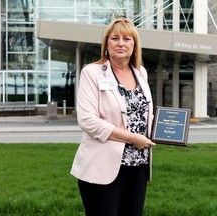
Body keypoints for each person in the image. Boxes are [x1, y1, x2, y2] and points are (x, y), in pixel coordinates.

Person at [70, 18, 155, 216]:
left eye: (127, 39)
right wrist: (132, 138)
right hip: (101, 167)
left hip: (138, 166)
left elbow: (145, 114)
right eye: (115, 38)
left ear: (134, 46)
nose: (121, 43)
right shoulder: (91, 72)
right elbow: (88, 121)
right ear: (107, 44)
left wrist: (168, 130)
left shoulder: (140, 73)